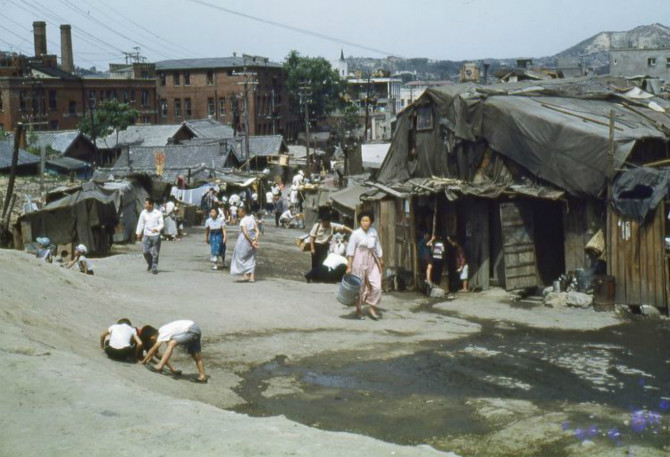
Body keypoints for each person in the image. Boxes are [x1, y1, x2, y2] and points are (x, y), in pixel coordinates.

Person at [142, 320, 207, 383]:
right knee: (196, 354)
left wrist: (144, 361)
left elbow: (154, 349)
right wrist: (172, 369)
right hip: (195, 328)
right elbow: (165, 351)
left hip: (191, 330)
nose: (154, 341)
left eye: (153, 340)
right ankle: (203, 377)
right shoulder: (164, 331)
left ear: (152, 337)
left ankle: (159, 366)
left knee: (171, 343)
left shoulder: (162, 333)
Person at [346, 211, 383, 320]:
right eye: (363, 220)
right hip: (359, 258)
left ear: (371, 222)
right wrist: (349, 266)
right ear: (360, 221)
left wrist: (381, 259)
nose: (365, 223)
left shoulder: (373, 232)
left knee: (377, 286)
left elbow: (378, 246)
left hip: (371, 258)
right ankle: (359, 309)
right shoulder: (356, 234)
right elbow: (350, 251)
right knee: (359, 286)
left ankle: (372, 306)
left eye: (367, 220)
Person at [305, 214, 352, 283]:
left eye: (327, 222)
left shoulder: (331, 225)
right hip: (316, 245)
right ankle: (312, 276)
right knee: (315, 262)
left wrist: (353, 231)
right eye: (324, 222)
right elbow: (312, 237)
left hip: (324, 246)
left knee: (323, 262)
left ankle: (318, 277)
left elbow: (343, 227)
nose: (326, 224)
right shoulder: (317, 226)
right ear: (322, 221)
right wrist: (312, 248)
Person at [230, 206, 259, 283]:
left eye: (239, 212)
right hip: (252, 238)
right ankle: (251, 276)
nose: (238, 213)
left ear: (243, 212)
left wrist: (251, 242)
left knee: (241, 257)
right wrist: (255, 240)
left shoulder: (243, 221)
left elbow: (245, 233)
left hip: (244, 240)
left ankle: (245, 274)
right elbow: (257, 231)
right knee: (252, 258)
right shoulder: (252, 219)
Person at [136, 198, 164, 275]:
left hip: (155, 235)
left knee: (155, 253)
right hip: (146, 235)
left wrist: (157, 229)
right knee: (145, 252)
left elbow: (161, 224)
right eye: (145, 204)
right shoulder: (143, 213)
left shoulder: (158, 213)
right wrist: (138, 233)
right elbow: (141, 223)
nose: (145, 205)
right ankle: (150, 263)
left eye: (146, 204)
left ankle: (154, 267)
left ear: (151, 205)